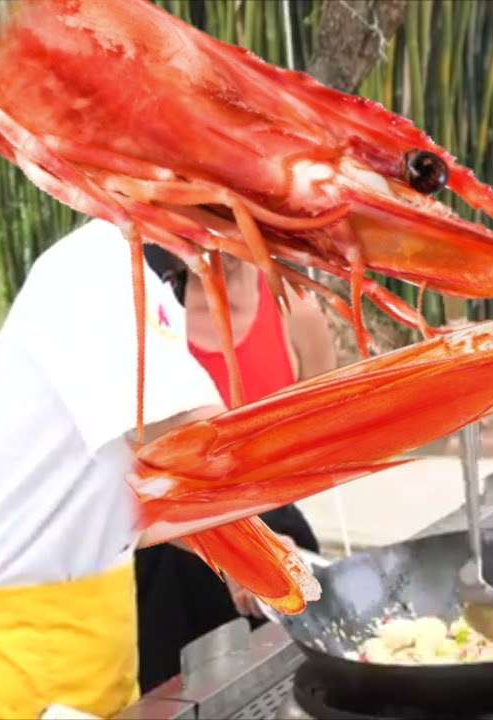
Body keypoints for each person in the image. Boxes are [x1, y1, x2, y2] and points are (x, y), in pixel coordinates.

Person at [0, 219, 225, 719]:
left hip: (89, 655)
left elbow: (118, 486)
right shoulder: (97, 269)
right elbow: (202, 440)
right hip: (19, 675)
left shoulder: (147, 282)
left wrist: (240, 548)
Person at [135, 247, 338, 693]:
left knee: (288, 689)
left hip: (274, 536)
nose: (212, 245)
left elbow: (323, 440)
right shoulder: (156, 318)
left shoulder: (297, 313)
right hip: (176, 544)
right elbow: (140, 462)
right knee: (171, 696)